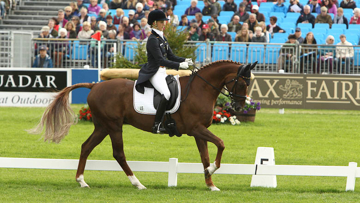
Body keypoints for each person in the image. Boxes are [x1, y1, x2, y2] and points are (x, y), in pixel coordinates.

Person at [135, 10, 191, 134]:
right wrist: (179, 65)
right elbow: (161, 60)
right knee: (166, 94)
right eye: (161, 22)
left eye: (164, 22)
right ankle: (157, 125)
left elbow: (171, 56)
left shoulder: (162, 38)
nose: (164, 24)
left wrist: (185, 60)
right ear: (154, 23)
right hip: (154, 72)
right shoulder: (153, 40)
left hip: (162, 72)